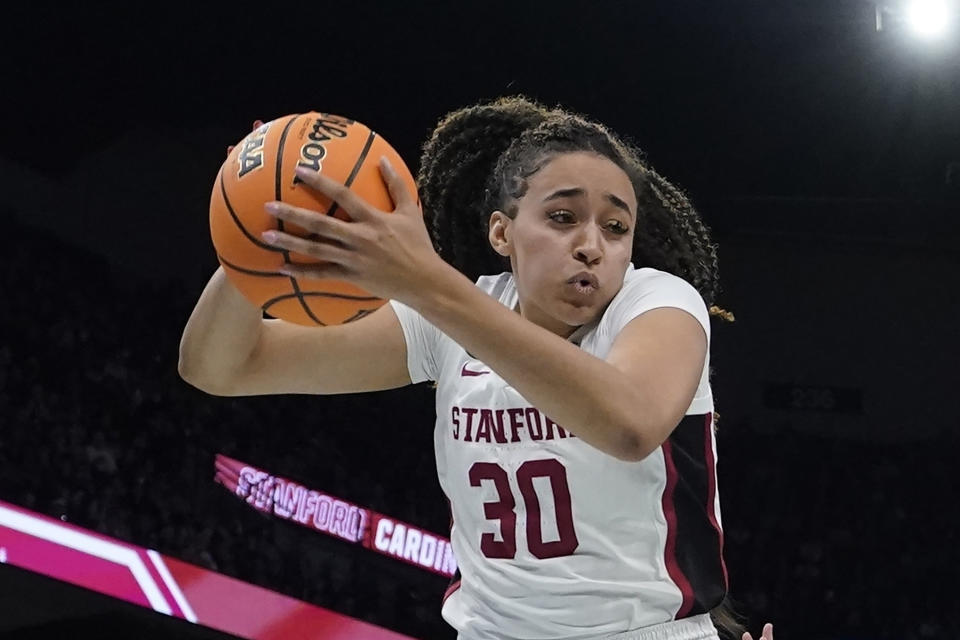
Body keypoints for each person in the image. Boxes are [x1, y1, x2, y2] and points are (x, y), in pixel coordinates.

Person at [179, 97, 769, 640]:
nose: (592, 243)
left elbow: (629, 422)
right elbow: (221, 367)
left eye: (616, 228)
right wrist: (254, 232)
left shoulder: (659, 304)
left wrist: (426, 282)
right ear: (501, 232)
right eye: (563, 217)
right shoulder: (450, 318)